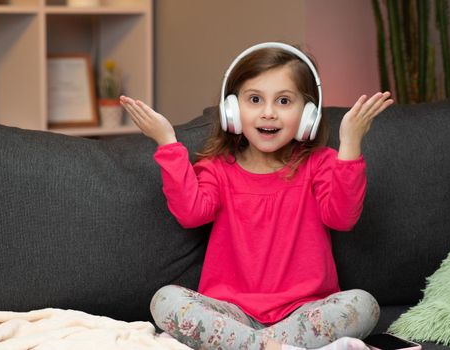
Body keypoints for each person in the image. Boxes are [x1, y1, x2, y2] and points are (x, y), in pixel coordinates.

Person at [120, 42, 393, 350]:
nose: (268, 113)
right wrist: (167, 141)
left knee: (363, 304)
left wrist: (350, 144)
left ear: (308, 115)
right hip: (231, 315)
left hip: (303, 311)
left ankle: (251, 347)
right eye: (254, 99)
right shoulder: (217, 169)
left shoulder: (320, 164)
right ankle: (270, 347)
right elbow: (191, 213)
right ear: (232, 111)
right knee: (165, 300)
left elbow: (342, 218)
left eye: (284, 101)